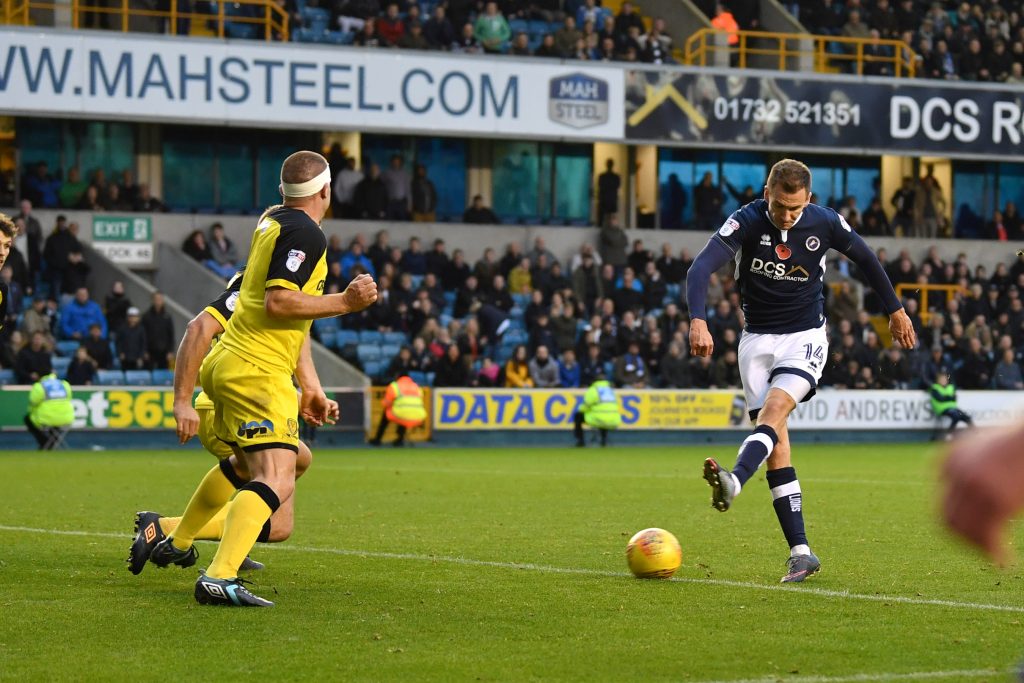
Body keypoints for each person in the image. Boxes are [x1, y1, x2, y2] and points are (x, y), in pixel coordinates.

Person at [144, 151, 377, 607]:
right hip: (257, 370)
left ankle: (176, 535)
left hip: (233, 363)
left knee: (278, 463)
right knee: (276, 477)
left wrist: (310, 386)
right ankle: (219, 575)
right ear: (327, 190)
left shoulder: (272, 221)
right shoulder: (306, 233)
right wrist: (346, 302)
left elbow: (288, 316)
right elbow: (279, 303)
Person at [687, 158, 915, 583]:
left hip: (804, 337)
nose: (787, 215)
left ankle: (735, 480)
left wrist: (896, 310)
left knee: (774, 411)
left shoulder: (825, 222)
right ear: (767, 194)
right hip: (756, 342)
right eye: (779, 206)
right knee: (776, 445)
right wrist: (698, 319)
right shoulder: (746, 221)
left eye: (795, 208)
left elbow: (867, 259)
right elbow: (699, 268)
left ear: (808, 199)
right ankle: (801, 553)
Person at [127, 267, 320, 577]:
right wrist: (345, 301)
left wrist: (308, 394)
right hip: (231, 404)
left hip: (239, 400)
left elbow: (279, 359)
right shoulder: (257, 290)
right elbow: (200, 329)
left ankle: (208, 543)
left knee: (293, 463)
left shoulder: (270, 298)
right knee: (278, 523)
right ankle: (171, 532)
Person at [369, 375, 427, 447]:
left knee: (389, 414)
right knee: (404, 416)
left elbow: (387, 403)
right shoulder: (416, 386)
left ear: (398, 377)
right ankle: (400, 440)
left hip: (402, 414)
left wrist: (385, 404)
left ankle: (377, 439)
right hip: (419, 416)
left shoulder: (395, 386)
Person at [24, 371, 74, 449]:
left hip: (46, 419)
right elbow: (69, 398)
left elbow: (33, 402)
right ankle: (52, 443)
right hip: (66, 419)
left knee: (28, 419)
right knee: (55, 428)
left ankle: (45, 444)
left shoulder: (39, 386)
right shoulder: (64, 384)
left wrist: (32, 412)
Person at [573, 374, 621, 447]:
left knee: (578, 416)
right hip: (614, 419)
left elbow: (586, 404)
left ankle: (580, 441)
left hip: (598, 418)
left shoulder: (594, 389)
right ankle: (603, 440)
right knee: (604, 417)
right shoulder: (610, 390)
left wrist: (580, 410)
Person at [929, 370, 973, 439]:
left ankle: (975, 434)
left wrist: (946, 397)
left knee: (966, 417)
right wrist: (949, 397)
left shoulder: (950, 387)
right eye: (942, 379)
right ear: (938, 380)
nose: (943, 381)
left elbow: (954, 398)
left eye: (945, 379)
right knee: (956, 416)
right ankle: (949, 434)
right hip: (942, 409)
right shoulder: (935, 388)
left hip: (953, 408)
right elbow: (940, 398)